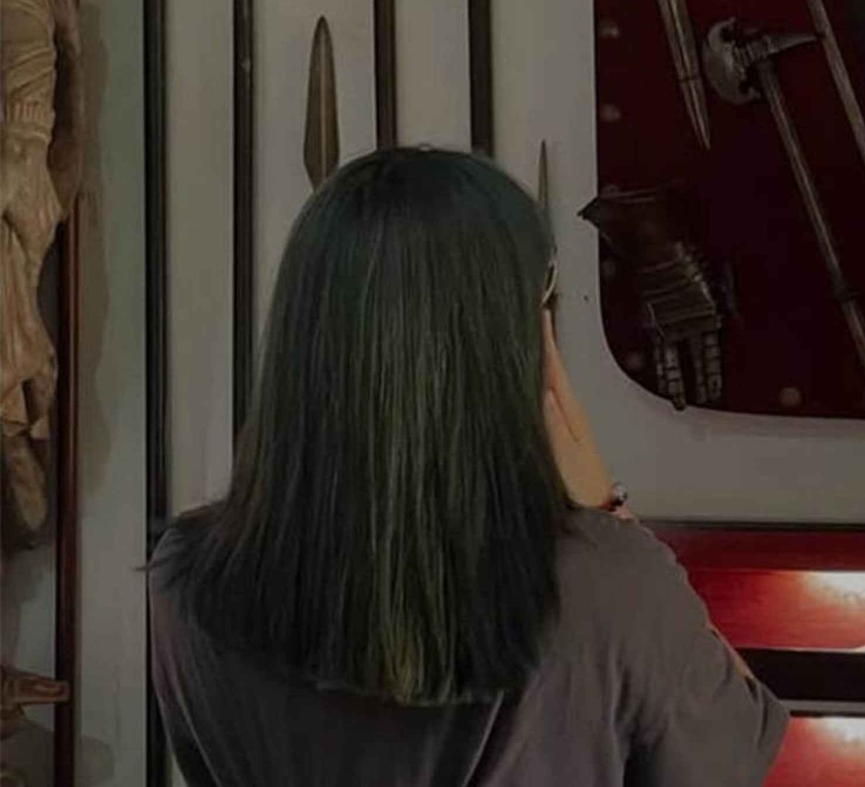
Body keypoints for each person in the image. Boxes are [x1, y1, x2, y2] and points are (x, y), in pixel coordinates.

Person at [148, 148, 787, 786]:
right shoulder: (609, 584)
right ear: (517, 342)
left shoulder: (188, 576)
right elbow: (732, 757)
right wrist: (607, 510)